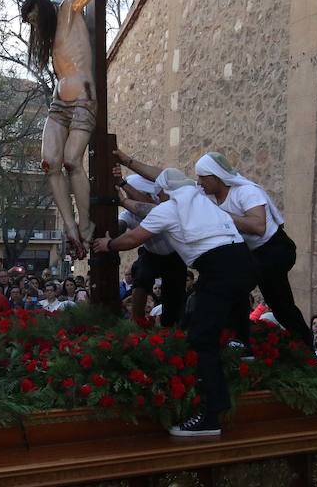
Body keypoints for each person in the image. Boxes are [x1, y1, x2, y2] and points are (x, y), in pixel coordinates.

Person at [92, 167, 255, 437]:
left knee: (202, 339)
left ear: (163, 192)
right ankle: (244, 345)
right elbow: (142, 205)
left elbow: (134, 237)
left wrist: (107, 245)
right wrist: (122, 194)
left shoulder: (168, 210)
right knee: (200, 319)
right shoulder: (198, 197)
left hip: (219, 268)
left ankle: (210, 417)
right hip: (243, 262)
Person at [20, 0, 141, 258]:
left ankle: (85, 226)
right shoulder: (49, 36)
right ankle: (71, 228)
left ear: (42, 9)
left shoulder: (68, 9)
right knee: (49, 162)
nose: (33, 27)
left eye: (32, 19)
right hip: (60, 101)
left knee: (73, 161)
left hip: (85, 97)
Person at [195, 152, 313, 346]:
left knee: (244, 289)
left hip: (275, 250)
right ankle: (302, 346)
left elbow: (259, 226)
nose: (199, 182)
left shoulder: (246, 192)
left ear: (217, 177)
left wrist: (221, 215)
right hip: (253, 254)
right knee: (278, 304)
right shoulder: (207, 195)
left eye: (203, 177)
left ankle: (241, 338)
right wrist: (126, 161)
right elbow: (167, 179)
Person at [117, 174, 187, 326]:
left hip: (174, 255)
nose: (131, 201)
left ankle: (171, 325)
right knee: (141, 275)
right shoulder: (128, 215)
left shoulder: (162, 207)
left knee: (173, 294)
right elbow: (121, 226)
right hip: (150, 254)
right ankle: (137, 320)